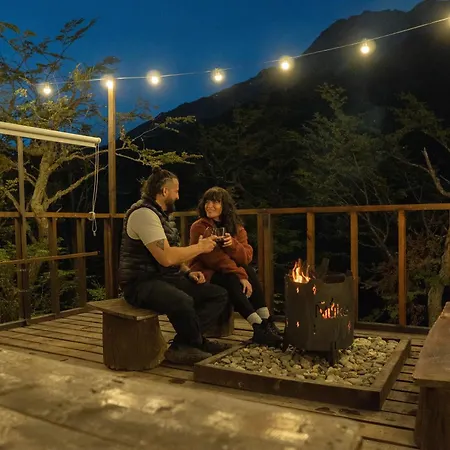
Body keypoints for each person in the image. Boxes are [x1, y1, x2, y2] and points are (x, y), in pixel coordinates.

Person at [118, 168, 230, 365]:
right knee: (182, 301)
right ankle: (192, 344)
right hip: (139, 282)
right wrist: (200, 247)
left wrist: (188, 272)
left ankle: (187, 343)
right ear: (164, 191)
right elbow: (167, 258)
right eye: (176, 191)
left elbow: (171, 255)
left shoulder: (162, 215)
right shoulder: (143, 214)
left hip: (164, 277)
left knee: (217, 295)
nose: (178, 196)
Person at [189, 186, 283, 347]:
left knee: (248, 271)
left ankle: (267, 322)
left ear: (224, 205)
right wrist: (240, 275)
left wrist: (233, 245)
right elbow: (213, 258)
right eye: (207, 202)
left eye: (215, 202)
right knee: (234, 278)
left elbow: (246, 257)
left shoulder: (236, 227)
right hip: (205, 270)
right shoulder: (200, 227)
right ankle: (258, 326)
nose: (209, 206)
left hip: (225, 270)